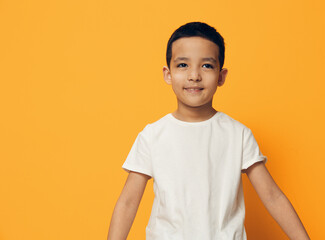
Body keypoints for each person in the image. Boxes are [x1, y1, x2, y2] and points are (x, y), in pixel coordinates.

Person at [107, 22, 310, 240]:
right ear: (168, 74)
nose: (194, 75)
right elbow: (128, 202)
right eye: (183, 65)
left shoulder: (238, 135)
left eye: (206, 66)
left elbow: (272, 196)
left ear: (221, 76)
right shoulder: (152, 135)